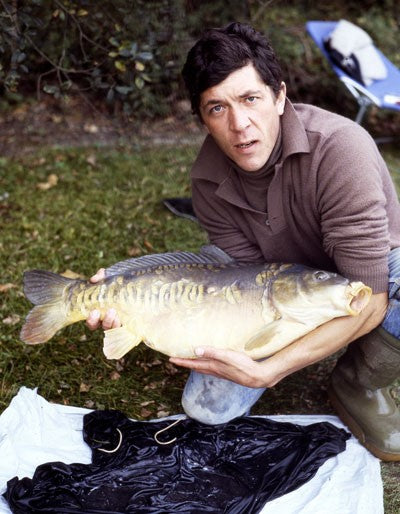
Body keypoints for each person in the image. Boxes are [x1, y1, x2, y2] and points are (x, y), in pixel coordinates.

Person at [87, 22, 400, 462]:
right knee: (206, 409)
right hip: (281, 290)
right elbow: (241, 280)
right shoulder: (206, 180)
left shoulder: (340, 150)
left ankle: (359, 382)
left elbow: (371, 297)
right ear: (201, 118)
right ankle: (303, 340)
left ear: (279, 95)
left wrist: (269, 371)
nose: (239, 124)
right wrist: (129, 286)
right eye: (217, 108)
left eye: (250, 99)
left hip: (363, 277)